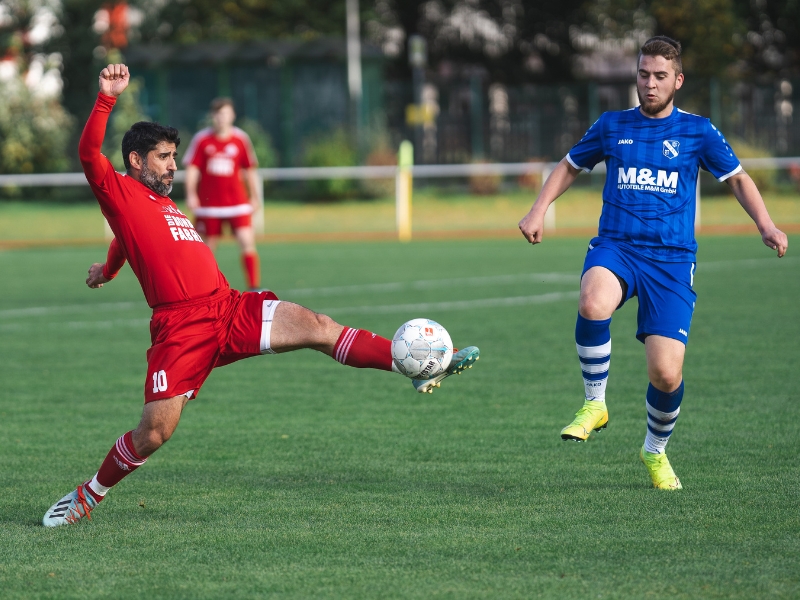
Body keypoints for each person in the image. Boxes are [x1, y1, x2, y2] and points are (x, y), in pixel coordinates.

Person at [42, 64, 480, 527]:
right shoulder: (119, 190)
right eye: (165, 157)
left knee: (319, 326)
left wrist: (106, 269)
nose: (175, 165)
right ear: (136, 160)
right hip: (182, 328)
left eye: (174, 156)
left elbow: (124, 242)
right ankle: (88, 495)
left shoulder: (163, 201)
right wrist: (107, 97)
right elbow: (89, 153)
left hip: (229, 307)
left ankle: (412, 363)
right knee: (153, 433)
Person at [518, 36, 788, 490]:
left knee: (665, 373)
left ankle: (655, 450)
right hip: (617, 247)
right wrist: (537, 208)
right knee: (592, 299)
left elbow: (738, 179)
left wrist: (766, 224)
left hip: (672, 261)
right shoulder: (611, 125)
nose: (650, 84)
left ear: (677, 80)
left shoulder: (698, 131)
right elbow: (568, 165)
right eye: (643, 74)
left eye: (660, 76)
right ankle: (595, 403)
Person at [183, 98, 262, 290]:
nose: (222, 118)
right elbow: (192, 169)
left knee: (247, 242)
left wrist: (255, 196)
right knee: (206, 249)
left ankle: (254, 287)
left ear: (233, 115)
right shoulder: (202, 139)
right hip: (209, 206)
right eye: (218, 114)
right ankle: (202, 287)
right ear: (213, 116)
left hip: (237, 203)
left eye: (226, 114)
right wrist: (191, 194)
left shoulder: (240, 139)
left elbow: (250, 169)